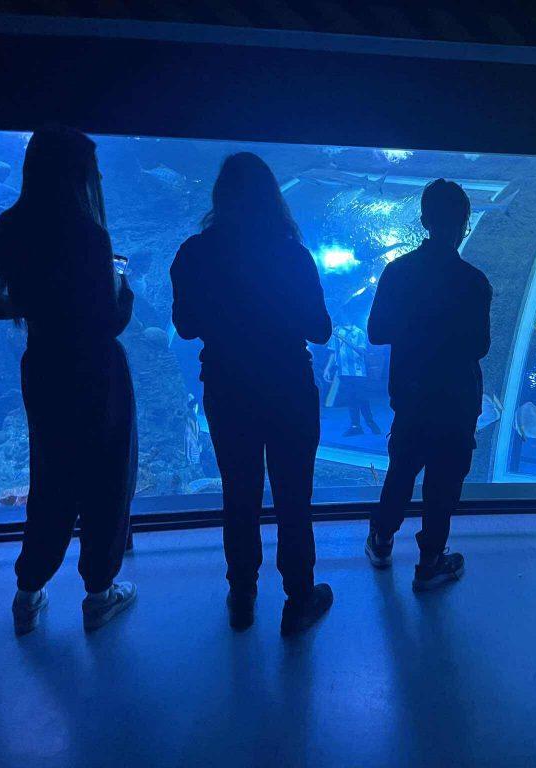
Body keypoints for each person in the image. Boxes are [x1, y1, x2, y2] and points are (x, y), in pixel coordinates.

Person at [170, 152, 333, 636]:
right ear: (271, 198)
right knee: (293, 497)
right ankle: (299, 598)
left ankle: (241, 594)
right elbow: (321, 329)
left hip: (227, 389)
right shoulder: (292, 255)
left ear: (220, 197)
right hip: (288, 389)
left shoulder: (194, 253)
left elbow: (185, 327)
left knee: (239, 494)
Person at [0, 126, 138, 635]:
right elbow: (108, 319)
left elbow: (0, 301)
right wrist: (124, 288)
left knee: (51, 476)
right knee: (107, 479)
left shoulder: (8, 227)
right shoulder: (89, 235)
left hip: (44, 368)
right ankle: (99, 593)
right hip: (97, 372)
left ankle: (27, 592)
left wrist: (31, 304)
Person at [365, 179, 492, 591]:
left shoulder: (398, 272)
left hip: (413, 394)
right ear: (465, 223)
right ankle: (430, 562)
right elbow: (481, 346)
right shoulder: (474, 281)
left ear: (424, 220)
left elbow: (376, 332)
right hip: (457, 399)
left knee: (401, 471)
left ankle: (381, 541)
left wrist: (416, 328)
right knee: (444, 482)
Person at [324, 307, 380, 436]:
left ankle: (370, 422)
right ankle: (356, 426)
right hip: (343, 371)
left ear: (348, 314)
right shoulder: (336, 332)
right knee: (350, 399)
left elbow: (361, 351)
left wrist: (343, 338)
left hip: (358, 372)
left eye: (343, 313)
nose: (341, 315)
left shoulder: (359, 332)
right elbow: (333, 352)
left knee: (362, 398)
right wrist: (327, 368)